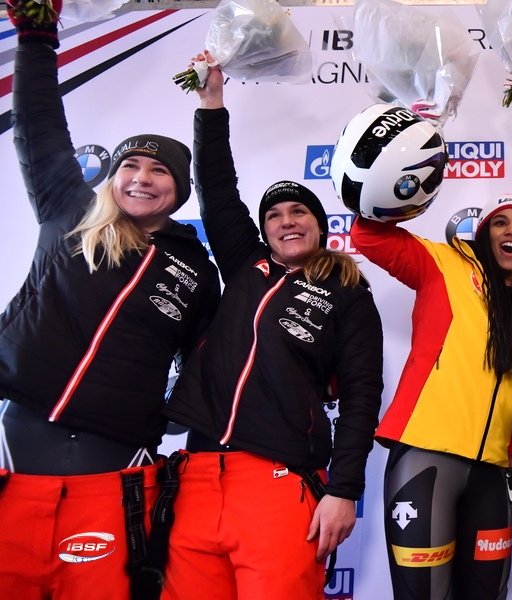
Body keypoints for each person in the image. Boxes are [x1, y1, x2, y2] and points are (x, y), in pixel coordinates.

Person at [0, 13, 221, 600]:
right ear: (112, 175)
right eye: (130, 166)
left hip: (116, 453)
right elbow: (39, 121)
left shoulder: (195, 268)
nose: (142, 179)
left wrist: (169, 424)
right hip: (22, 427)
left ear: (179, 188)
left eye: (160, 171)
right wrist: (37, 36)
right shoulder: (67, 208)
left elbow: (206, 361)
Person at [158, 56, 384, 599]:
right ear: (264, 231)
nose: (287, 219)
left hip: (281, 482)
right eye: (276, 214)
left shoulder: (348, 294)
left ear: (320, 227)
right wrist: (211, 104)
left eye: (300, 211)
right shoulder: (245, 266)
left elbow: (361, 396)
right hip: (197, 475)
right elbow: (217, 187)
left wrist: (345, 489)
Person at [351, 191, 512, 599]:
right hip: (427, 457)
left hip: (492, 474)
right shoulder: (445, 263)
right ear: (483, 234)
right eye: (500, 222)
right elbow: (368, 237)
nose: (511, 231)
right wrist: (398, 185)